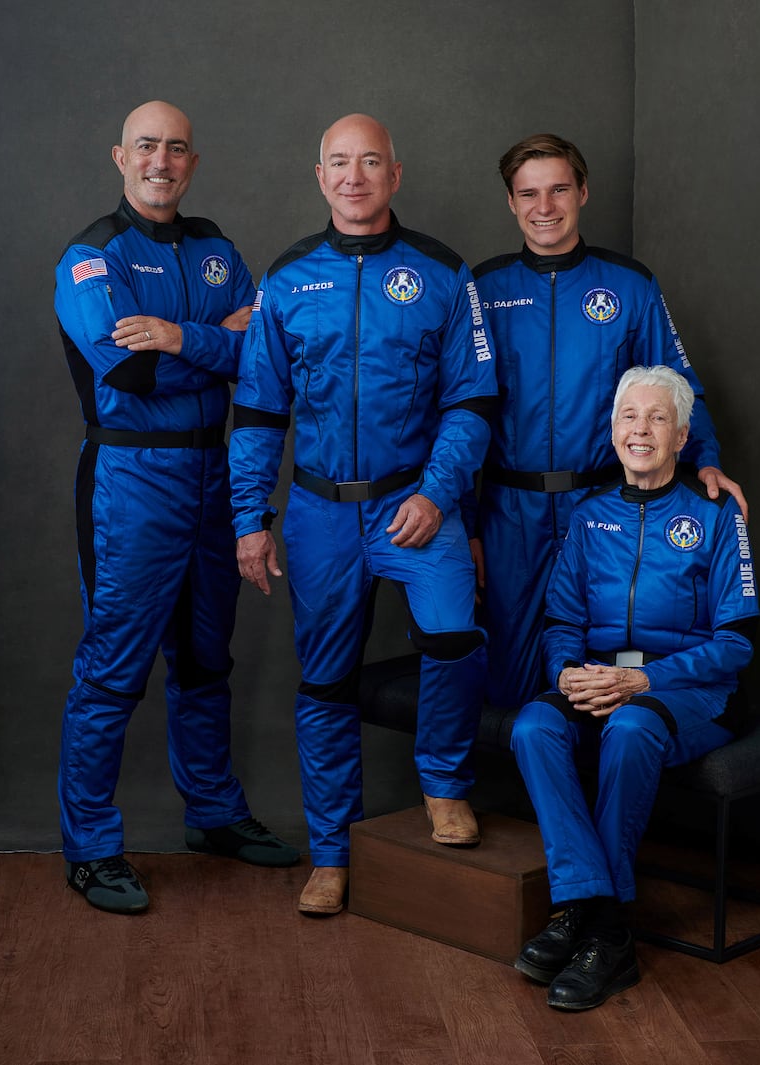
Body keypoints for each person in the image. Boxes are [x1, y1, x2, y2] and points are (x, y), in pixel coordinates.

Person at [229, 113, 498, 916]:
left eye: (370, 161)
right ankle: (332, 852)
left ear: (395, 173)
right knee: (325, 681)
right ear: (320, 177)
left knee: (454, 634)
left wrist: (436, 492)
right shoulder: (286, 280)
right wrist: (251, 517)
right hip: (318, 514)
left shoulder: (444, 275)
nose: (354, 176)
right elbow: (256, 412)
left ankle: (445, 783)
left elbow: (473, 401)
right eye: (339, 163)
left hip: (415, 502)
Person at [55, 100, 299, 915]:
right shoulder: (93, 256)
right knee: (113, 669)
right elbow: (132, 376)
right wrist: (213, 342)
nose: (162, 160)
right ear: (118, 155)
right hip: (133, 483)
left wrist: (178, 334)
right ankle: (90, 847)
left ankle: (215, 813)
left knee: (205, 660)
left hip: (214, 478)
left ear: (193, 161)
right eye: (147, 146)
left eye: (178, 148)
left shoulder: (219, 249)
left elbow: (263, 359)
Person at [511, 364, 758, 1010]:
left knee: (630, 724)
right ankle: (588, 905)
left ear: (681, 436)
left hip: (691, 692)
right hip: (603, 679)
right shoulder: (589, 519)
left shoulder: (715, 518)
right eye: (629, 417)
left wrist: (644, 678)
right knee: (533, 725)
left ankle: (604, 928)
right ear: (613, 430)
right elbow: (563, 620)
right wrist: (568, 672)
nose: (640, 430)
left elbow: (736, 643)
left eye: (656, 418)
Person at [471, 133, 747, 709]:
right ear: (510, 202)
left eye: (559, 190)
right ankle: (529, 795)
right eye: (528, 193)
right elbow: (461, 409)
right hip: (507, 512)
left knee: (604, 655)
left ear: (584, 192)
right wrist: (466, 522)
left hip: (602, 501)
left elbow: (679, 389)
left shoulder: (628, 285)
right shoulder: (485, 289)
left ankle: (608, 790)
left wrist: (709, 461)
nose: (544, 207)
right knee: (512, 664)